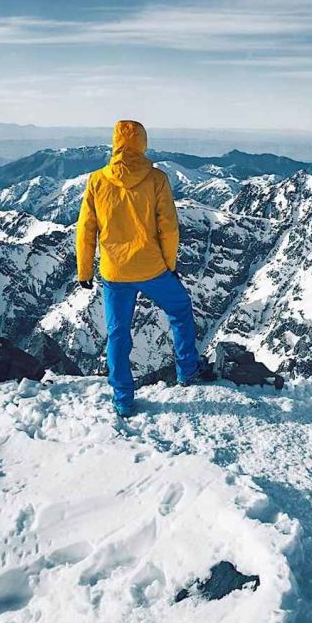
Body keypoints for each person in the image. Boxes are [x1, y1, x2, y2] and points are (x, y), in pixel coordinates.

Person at [76, 120, 209, 418]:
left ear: (115, 144)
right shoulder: (157, 179)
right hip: (151, 268)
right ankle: (187, 369)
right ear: (142, 143)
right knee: (180, 309)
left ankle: (123, 399)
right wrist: (169, 266)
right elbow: (169, 228)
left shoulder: (97, 180)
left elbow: (86, 229)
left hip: (114, 271)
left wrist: (84, 271)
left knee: (118, 333)